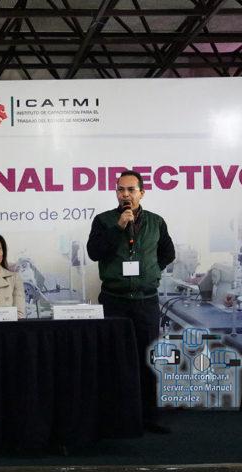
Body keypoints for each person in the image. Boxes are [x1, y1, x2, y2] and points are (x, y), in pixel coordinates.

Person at [87, 170, 175, 433]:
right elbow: (94, 252)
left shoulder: (156, 222)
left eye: (130, 190)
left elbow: (168, 253)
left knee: (147, 359)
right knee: (115, 360)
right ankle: (116, 418)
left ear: (142, 193)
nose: (125, 194)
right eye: (120, 189)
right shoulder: (104, 221)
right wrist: (119, 227)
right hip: (114, 301)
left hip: (145, 302)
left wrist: (150, 271)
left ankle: (148, 417)